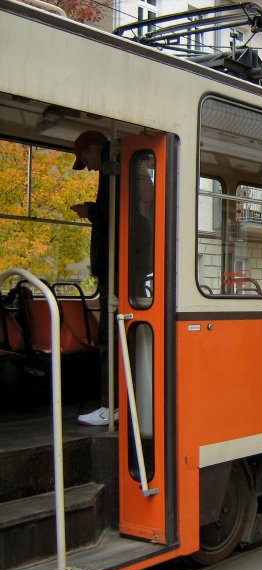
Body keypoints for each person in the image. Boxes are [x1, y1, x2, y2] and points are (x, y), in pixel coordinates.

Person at [71, 131, 117, 426]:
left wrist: (91, 212)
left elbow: (117, 215)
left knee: (108, 337)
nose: (86, 165)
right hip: (113, 266)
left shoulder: (113, 170)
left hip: (116, 267)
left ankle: (110, 405)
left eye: (85, 157)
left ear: (95, 148)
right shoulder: (113, 171)